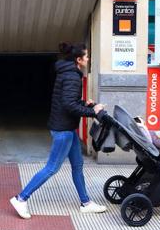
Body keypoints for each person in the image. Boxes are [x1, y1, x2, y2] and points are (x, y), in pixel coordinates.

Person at [10, 42, 108, 219]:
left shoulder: (68, 73)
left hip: (68, 128)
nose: (88, 59)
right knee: (52, 168)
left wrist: (84, 104)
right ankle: (21, 198)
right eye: (86, 56)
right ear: (79, 60)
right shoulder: (72, 76)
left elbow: (68, 101)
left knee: (77, 166)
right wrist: (93, 111)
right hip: (63, 130)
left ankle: (85, 202)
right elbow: (69, 105)